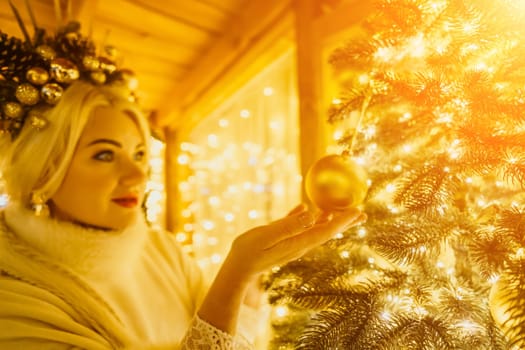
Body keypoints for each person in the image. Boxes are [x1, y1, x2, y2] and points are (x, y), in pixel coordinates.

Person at [0, 26, 367, 349]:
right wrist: (235, 272)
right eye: (104, 156)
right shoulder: (14, 292)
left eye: (140, 153)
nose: (139, 175)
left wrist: (252, 275)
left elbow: (228, 331)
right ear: (45, 172)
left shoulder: (161, 250)